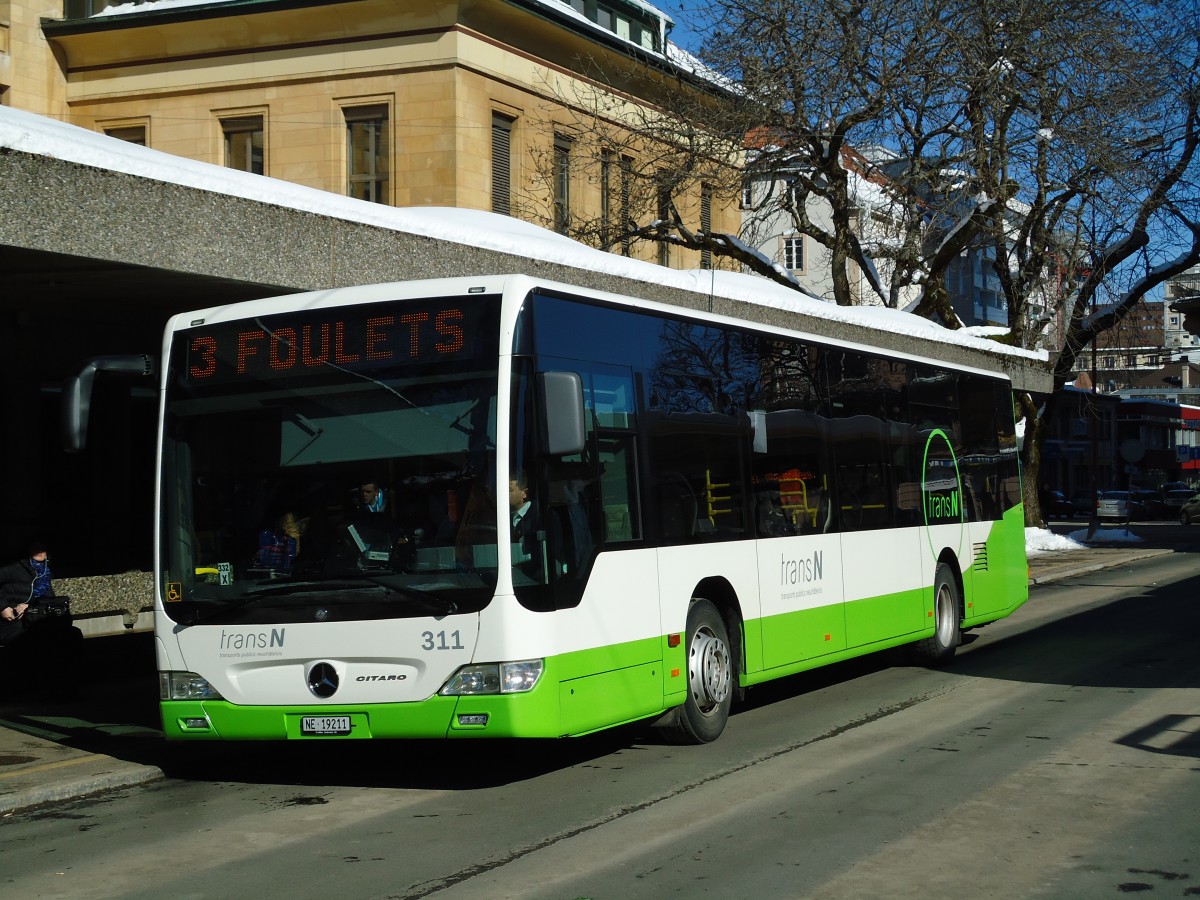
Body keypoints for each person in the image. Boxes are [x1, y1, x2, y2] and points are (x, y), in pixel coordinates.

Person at [0, 541, 83, 696]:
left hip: (36, 619)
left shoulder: (45, 571)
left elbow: (47, 599)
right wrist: (3, 607)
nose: (40, 551)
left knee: (71, 635)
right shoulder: (13, 568)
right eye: (36, 547)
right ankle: (45, 689)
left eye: (44, 548)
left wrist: (28, 605)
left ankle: (65, 688)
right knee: (39, 641)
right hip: (12, 622)